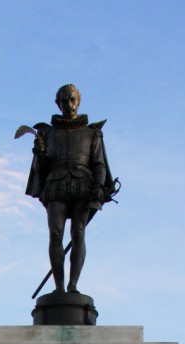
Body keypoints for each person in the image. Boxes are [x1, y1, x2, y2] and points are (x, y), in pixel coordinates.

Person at [25, 83, 116, 294]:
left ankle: (72, 286)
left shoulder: (92, 133)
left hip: (82, 185)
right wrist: (39, 154)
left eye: (72, 99)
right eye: (64, 100)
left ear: (78, 101)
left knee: (78, 232)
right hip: (56, 185)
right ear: (58, 103)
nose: (68, 104)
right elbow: (41, 169)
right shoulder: (46, 133)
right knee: (55, 233)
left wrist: (98, 187)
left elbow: (99, 164)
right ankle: (58, 288)